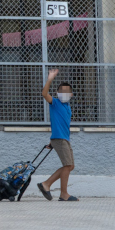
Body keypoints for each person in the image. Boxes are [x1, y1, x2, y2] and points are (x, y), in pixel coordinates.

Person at [37, 69, 78, 201]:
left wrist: (53, 140)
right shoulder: (55, 103)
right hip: (60, 139)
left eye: (66, 92)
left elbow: (60, 124)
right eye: (61, 91)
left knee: (70, 166)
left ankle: (46, 184)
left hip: (63, 139)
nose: (64, 94)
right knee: (67, 165)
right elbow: (44, 93)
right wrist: (50, 78)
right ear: (57, 93)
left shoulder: (68, 107)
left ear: (71, 94)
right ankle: (63, 194)